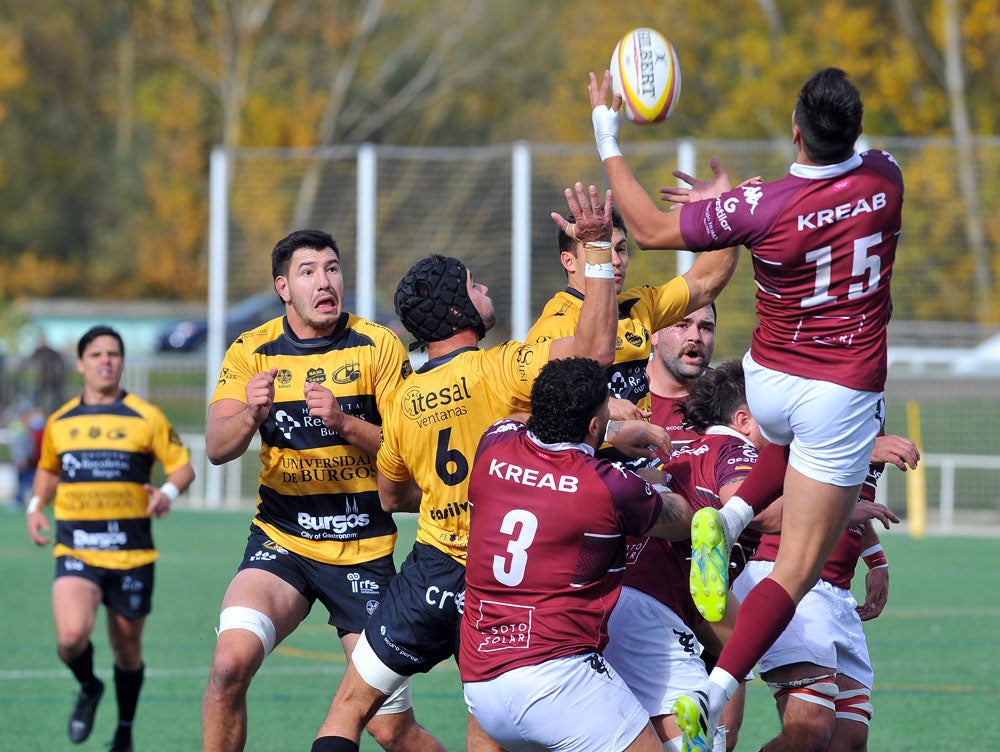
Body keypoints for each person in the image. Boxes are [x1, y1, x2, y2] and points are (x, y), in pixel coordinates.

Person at [586, 66, 906, 750]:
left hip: (768, 381)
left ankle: (728, 517)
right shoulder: (887, 178)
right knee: (793, 570)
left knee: (791, 445)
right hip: (840, 392)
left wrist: (606, 129)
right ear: (851, 130)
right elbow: (848, 161)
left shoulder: (762, 203)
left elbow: (644, 226)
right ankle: (715, 688)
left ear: (796, 131)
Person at [310, 184, 669, 752]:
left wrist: (442, 499)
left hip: (428, 570)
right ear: (459, 309)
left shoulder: (403, 398)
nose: (485, 289)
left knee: (349, 712)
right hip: (498, 581)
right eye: (475, 284)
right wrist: (597, 252)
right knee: (494, 720)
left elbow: (390, 495)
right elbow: (595, 351)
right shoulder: (500, 370)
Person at [201, 229, 442, 752]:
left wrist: (345, 422)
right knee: (227, 668)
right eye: (308, 271)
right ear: (283, 287)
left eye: (332, 268)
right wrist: (250, 414)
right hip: (281, 542)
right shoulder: (251, 350)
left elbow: (411, 455)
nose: (324, 281)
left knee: (389, 728)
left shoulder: (379, 345)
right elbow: (217, 447)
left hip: (362, 551)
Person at [460, 357, 694, 752]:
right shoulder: (608, 486)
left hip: (481, 682)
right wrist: (651, 479)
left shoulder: (493, 443)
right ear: (592, 424)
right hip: (557, 677)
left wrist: (610, 428)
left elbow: (519, 417)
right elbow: (680, 519)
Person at [25, 325, 195, 752]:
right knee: (70, 637)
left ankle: (124, 730)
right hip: (77, 549)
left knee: (127, 648)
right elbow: (47, 469)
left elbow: (182, 467)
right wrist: (34, 507)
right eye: (97, 354)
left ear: (121, 362)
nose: (106, 360)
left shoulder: (146, 416)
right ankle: (88, 686)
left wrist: (167, 493)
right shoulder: (61, 422)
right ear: (80, 363)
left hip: (132, 554)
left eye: (114, 354)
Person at [606, 359, 763, 752]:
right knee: (693, 734)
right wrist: (832, 508)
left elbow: (643, 484)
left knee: (742, 648)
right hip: (652, 606)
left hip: (627, 592)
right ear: (744, 420)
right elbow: (748, 499)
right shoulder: (736, 448)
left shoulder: (680, 456)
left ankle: (711, 712)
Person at [526, 209, 737, 443]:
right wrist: (610, 423)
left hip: (641, 462)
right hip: (590, 467)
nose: (615, 261)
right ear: (569, 261)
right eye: (602, 250)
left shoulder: (638, 305)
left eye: (621, 249)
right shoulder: (555, 326)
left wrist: (730, 213)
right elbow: (534, 420)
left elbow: (705, 282)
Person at [733, 466, 900, 752]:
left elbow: (854, 499)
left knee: (849, 739)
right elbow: (798, 474)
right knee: (809, 732)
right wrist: (865, 447)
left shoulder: (874, 427)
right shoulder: (834, 427)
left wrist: (875, 560)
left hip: (838, 588)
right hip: (786, 571)